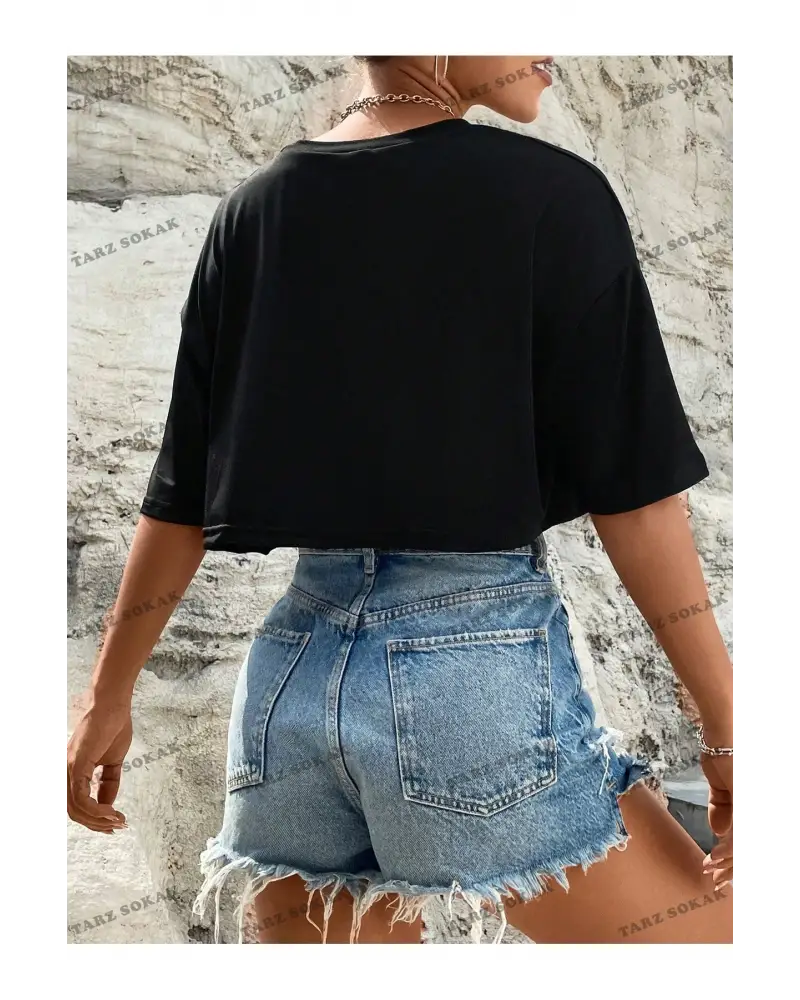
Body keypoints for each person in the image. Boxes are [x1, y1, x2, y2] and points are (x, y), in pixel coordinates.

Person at [65, 55, 735, 945]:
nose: (551, 44)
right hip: (470, 678)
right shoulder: (553, 193)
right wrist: (726, 724)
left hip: (291, 682)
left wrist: (106, 698)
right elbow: (639, 498)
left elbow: (180, 494)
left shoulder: (254, 209)